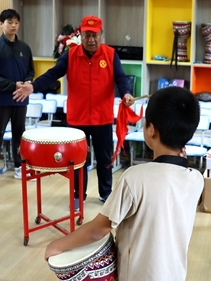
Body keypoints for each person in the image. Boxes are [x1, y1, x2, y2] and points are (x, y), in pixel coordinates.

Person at [44, 86, 203, 281]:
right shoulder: (196, 179)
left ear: (151, 130)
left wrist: (57, 245)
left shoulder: (135, 178)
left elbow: (99, 229)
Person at [13, 15, 135, 206]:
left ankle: (106, 193)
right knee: (78, 160)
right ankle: (78, 194)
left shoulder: (110, 55)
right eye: (87, 35)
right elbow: (53, 74)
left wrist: (126, 93)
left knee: (104, 159)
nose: (91, 40)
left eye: (95, 35)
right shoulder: (71, 55)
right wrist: (33, 86)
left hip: (102, 117)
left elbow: (121, 78)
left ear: (101, 35)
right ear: (81, 36)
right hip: (77, 119)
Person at [0, 9, 35, 187]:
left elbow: (31, 71)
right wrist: (13, 85)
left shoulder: (24, 48)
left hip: (21, 99)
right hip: (1, 99)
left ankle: (19, 167)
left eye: (16, 22)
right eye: (9, 22)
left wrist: (27, 82)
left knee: (19, 134)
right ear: (1, 24)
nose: (13, 25)